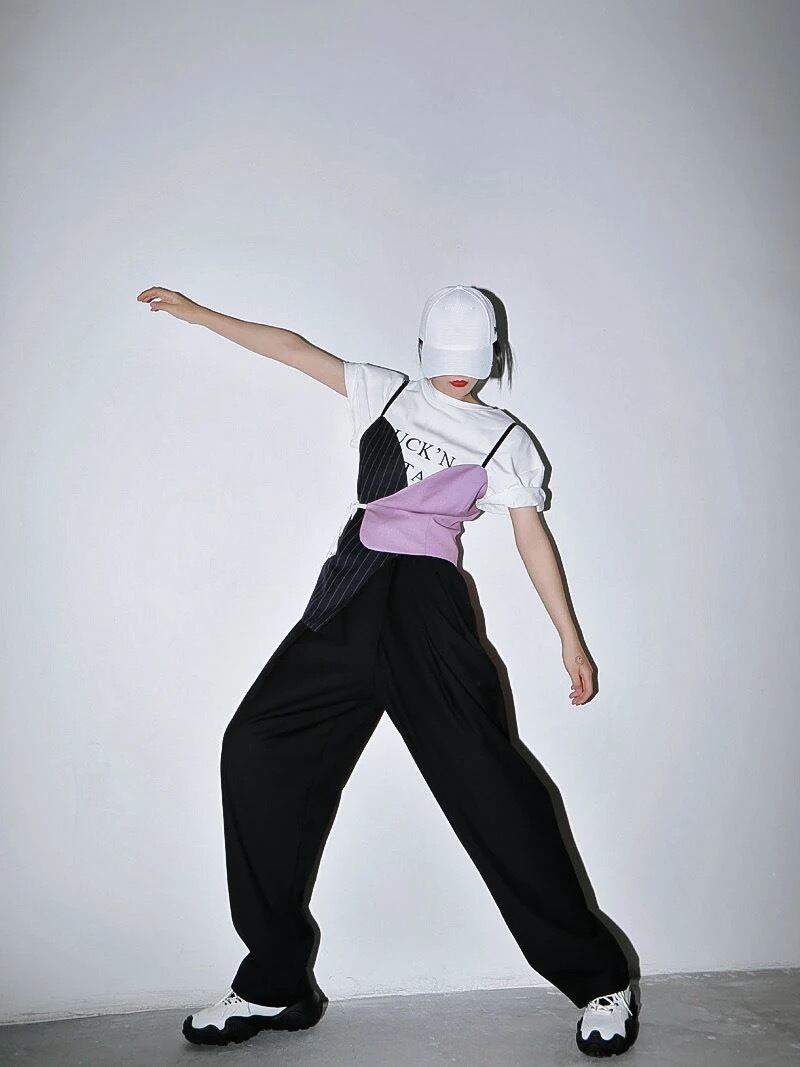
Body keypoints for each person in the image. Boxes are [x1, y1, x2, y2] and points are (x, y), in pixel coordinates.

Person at [137, 283, 640, 1057]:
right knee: (256, 746)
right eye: (448, 358)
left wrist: (569, 639)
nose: (460, 373)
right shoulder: (388, 392)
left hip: (429, 612)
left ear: (494, 356)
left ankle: (601, 977)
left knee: (490, 786)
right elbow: (293, 349)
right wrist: (200, 315)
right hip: (351, 590)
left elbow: (530, 535)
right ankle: (276, 980)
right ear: (423, 350)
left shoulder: (505, 438)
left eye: (475, 360)